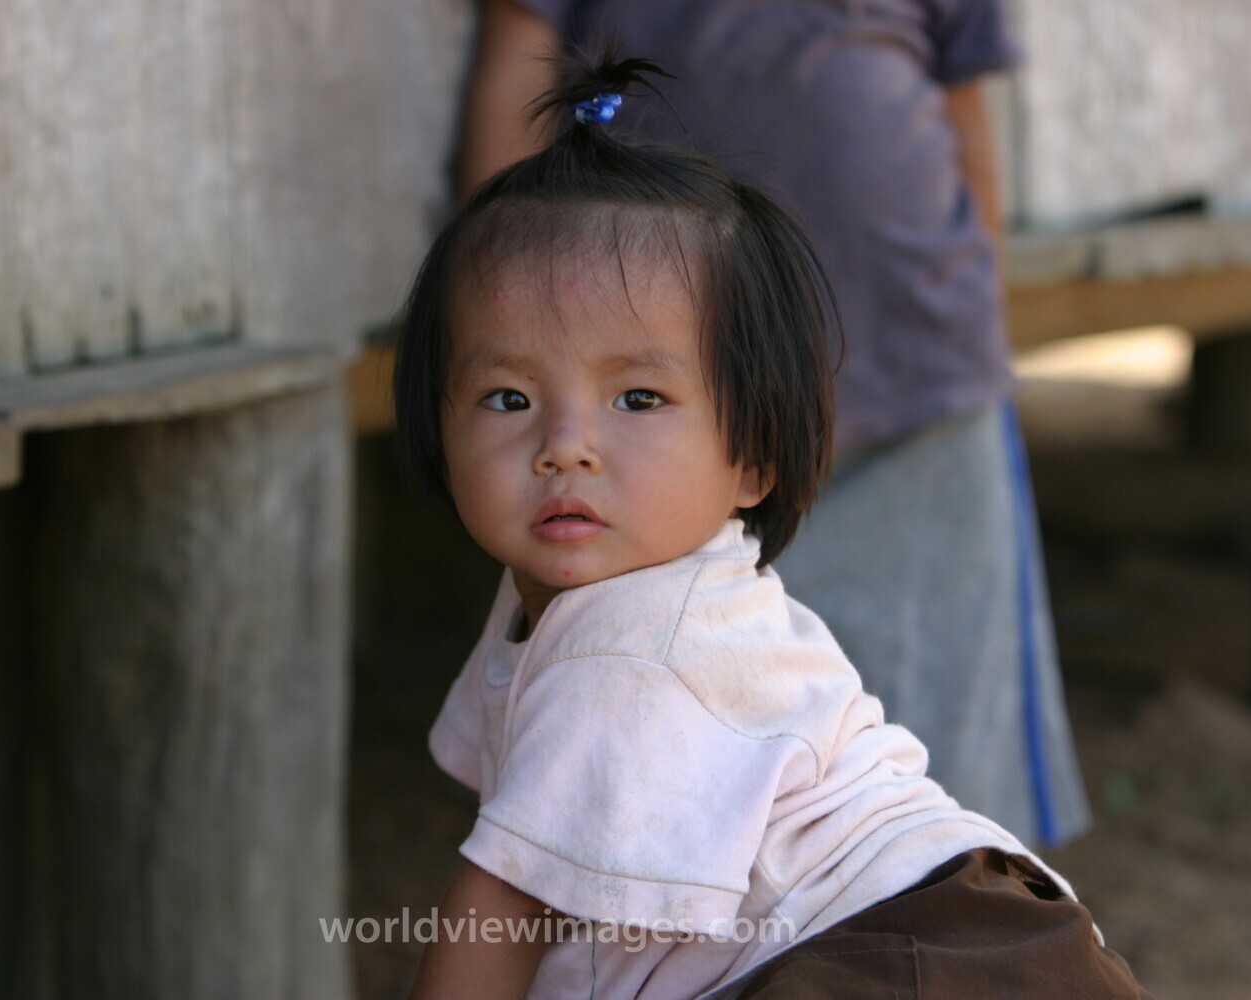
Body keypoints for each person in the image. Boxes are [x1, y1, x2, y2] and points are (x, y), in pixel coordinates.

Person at [396, 53, 1147, 1000]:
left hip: (909, 956)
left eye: (638, 395)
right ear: (437, 416)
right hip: (961, 934)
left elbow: (496, 935)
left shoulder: (632, 650)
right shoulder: (581, 597)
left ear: (752, 456)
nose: (565, 446)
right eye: (508, 396)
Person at [457, 0, 1091, 850]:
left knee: (953, 723)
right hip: (675, 418)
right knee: (695, 727)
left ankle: (959, 928)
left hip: (924, 368)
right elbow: (518, 70)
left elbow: (964, 111)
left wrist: (979, 305)